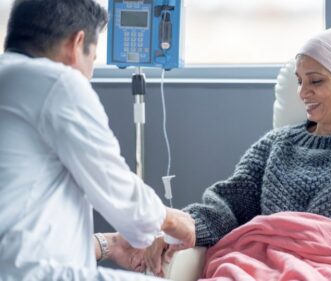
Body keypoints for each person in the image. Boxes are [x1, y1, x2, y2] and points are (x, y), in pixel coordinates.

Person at [144, 26, 331, 276]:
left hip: (326, 265)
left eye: (316, 81)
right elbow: (229, 203)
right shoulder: (276, 144)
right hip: (255, 263)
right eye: (299, 81)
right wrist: (181, 226)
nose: (303, 93)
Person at [0, 0, 194, 280]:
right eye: (92, 58)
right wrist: (174, 220)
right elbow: (117, 189)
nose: (90, 72)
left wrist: (109, 244)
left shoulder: (10, 80)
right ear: (77, 43)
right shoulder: (58, 84)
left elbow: (26, 211)